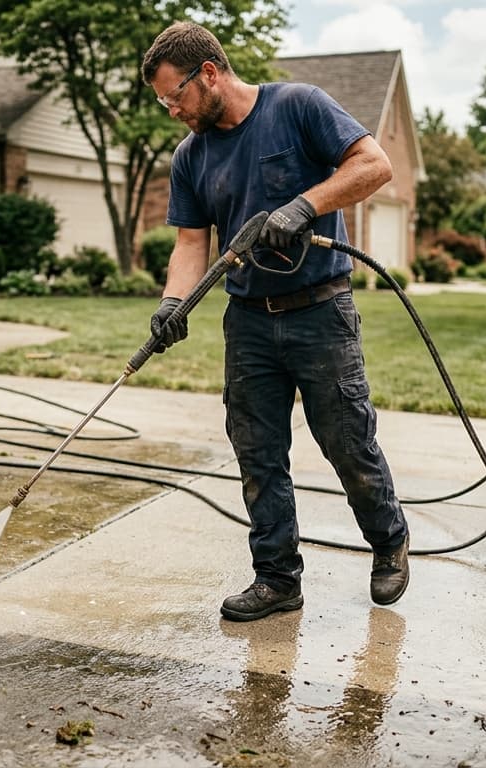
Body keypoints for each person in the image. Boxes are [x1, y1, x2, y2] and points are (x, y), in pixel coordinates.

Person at [140, 21, 410, 622]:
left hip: (320, 312)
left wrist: (305, 205)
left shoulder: (298, 106)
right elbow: (191, 243)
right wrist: (171, 303)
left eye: (174, 96)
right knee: (258, 453)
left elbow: (375, 165)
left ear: (209, 73)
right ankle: (277, 579)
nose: (172, 111)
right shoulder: (190, 156)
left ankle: (389, 541)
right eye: (164, 102)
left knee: (346, 441)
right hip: (249, 324)